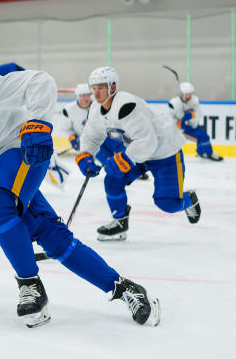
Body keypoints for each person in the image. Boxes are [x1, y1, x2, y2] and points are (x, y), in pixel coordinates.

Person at [0, 37, 159, 328]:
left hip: (20, 151)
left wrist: (39, 123)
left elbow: (41, 82)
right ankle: (125, 288)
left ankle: (30, 286)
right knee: (51, 235)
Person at [76, 66, 201, 241]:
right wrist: (85, 156)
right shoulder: (96, 109)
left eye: (101, 88)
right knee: (112, 179)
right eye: (94, 88)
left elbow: (147, 142)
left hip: (165, 153)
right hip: (139, 153)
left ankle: (190, 199)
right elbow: (91, 136)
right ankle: (120, 222)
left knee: (168, 204)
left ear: (112, 87)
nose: (95, 94)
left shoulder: (126, 105)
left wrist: (123, 159)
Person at [0, 56, 68, 188]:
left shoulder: (9, 69)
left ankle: (54, 170)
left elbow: (32, 83)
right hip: (5, 125)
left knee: (37, 149)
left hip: (22, 117)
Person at [169, 82, 223, 161]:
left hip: (190, 125)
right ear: (182, 94)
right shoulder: (175, 103)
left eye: (191, 93)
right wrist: (184, 116)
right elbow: (174, 118)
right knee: (174, 143)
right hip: (178, 127)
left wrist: (191, 115)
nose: (190, 96)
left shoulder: (194, 100)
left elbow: (198, 114)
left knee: (204, 137)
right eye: (187, 94)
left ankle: (205, 153)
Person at [57, 83, 93, 152]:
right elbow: (64, 128)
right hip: (82, 144)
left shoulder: (98, 106)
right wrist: (72, 137)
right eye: (83, 95)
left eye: (88, 95)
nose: (86, 98)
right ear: (78, 96)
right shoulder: (69, 110)